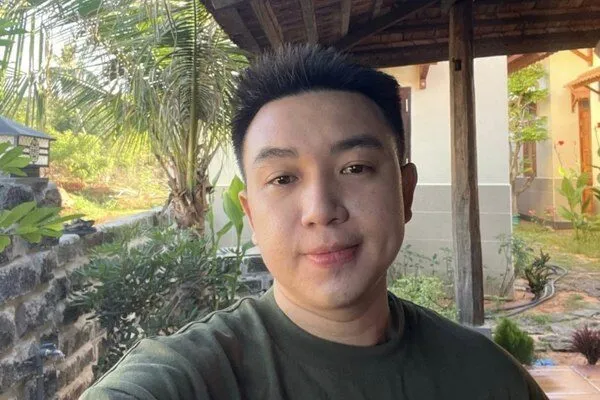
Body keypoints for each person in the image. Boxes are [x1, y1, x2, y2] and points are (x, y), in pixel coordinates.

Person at [80, 44, 547, 400]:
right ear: (251, 214)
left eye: (355, 168)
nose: (321, 209)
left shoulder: (490, 378)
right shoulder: (192, 377)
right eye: (283, 178)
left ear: (405, 192)